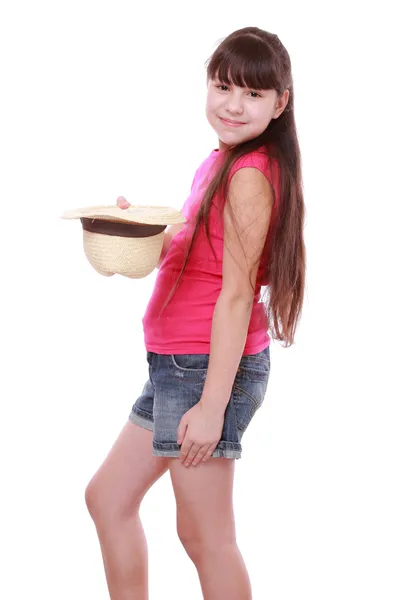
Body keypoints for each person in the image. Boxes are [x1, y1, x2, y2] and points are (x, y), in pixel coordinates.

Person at [85, 26, 306, 600]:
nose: (234, 104)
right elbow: (188, 254)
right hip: (176, 366)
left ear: (280, 102)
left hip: (204, 370)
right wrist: (128, 231)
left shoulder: (251, 174)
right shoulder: (223, 161)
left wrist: (212, 407)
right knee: (108, 499)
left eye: (254, 95)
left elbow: (236, 295)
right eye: (223, 86)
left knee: (207, 539)